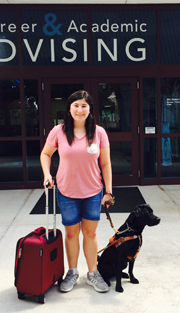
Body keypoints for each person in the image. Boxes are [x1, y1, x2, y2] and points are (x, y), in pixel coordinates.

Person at [40, 90, 114, 293]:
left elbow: (106, 163)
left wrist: (108, 191)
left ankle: (92, 273)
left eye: (84, 106)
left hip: (92, 192)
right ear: (69, 108)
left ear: (90, 109)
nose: (80, 110)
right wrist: (47, 174)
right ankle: (72, 272)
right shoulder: (59, 131)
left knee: (90, 233)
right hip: (66, 192)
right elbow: (46, 154)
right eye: (76, 105)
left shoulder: (99, 133)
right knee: (71, 234)